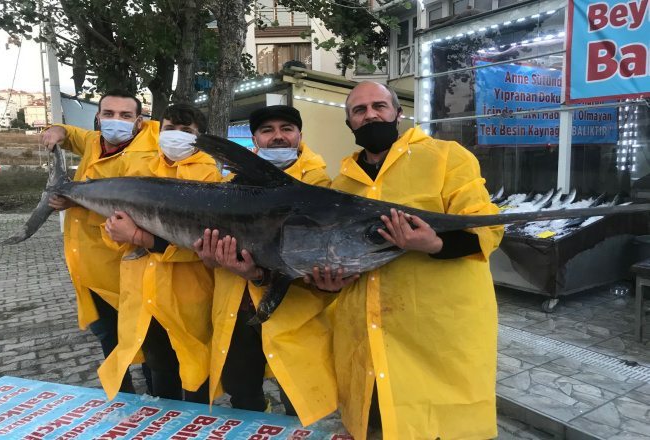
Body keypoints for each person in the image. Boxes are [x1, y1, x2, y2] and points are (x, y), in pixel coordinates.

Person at [308, 81, 504, 439]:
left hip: (436, 336)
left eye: (379, 106)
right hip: (365, 335)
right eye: (359, 110)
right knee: (374, 421)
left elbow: (487, 227)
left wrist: (432, 243)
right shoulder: (340, 187)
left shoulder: (447, 156)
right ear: (349, 123)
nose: (370, 115)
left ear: (398, 113)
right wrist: (330, 281)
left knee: (437, 427)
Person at [193, 105, 337, 426]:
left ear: (300, 136)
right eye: (268, 130)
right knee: (242, 392)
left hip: (295, 313)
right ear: (255, 139)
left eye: (286, 128)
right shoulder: (232, 188)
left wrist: (259, 274)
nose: (278, 137)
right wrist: (208, 256)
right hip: (236, 308)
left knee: (300, 397)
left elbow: (315, 258)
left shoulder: (322, 188)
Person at [98, 103, 220, 403]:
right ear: (158, 130)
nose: (176, 136)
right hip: (142, 293)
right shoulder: (138, 169)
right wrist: (118, 234)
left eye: (186, 131)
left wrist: (140, 236)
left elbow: (200, 243)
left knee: (194, 372)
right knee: (158, 368)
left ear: (199, 136)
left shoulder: (211, 178)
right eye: (170, 129)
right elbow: (114, 228)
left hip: (188, 294)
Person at [41, 90, 159, 393]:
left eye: (125, 116)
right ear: (99, 117)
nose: (115, 121)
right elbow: (72, 135)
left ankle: (160, 397)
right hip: (92, 267)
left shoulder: (149, 153)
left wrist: (76, 201)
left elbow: (127, 206)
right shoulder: (95, 141)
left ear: (139, 121)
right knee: (108, 334)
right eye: (108, 114)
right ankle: (122, 397)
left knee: (147, 336)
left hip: (131, 263)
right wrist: (58, 129)